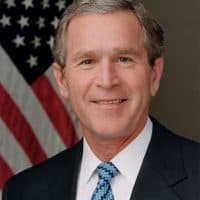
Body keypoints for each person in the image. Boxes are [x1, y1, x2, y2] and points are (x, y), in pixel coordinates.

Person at [3, 0, 200, 200]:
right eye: (87, 61)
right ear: (62, 80)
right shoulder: (23, 191)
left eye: (124, 59)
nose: (106, 81)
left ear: (154, 75)